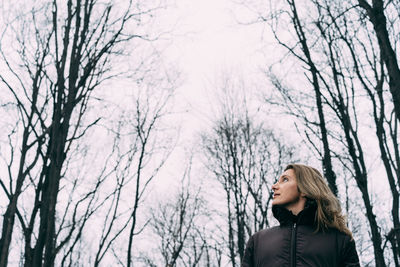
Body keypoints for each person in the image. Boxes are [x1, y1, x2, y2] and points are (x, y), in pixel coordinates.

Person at [241, 164, 360, 267]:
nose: (274, 186)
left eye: (285, 180)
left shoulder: (340, 240)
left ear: (305, 188)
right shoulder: (258, 241)